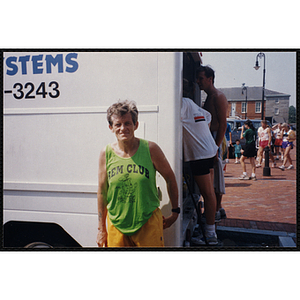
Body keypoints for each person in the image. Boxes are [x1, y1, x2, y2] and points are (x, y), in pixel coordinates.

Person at [96, 100, 179, 247]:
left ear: (136, 125)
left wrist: (175, 212)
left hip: (147, 223)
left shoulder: (151, 149)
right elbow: (102, 192)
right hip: (116, 224)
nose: (123, 128)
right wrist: (101, 229)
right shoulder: (106, 153)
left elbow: (170, 179)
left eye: (128, 123)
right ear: (111, 127)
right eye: (118, 124)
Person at [181, 96, 219, 245]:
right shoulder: (192, 104)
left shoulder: (183, 104)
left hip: (199, 155)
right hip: (210, 150)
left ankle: (210, 235)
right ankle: (210, 231)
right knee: (210, 193)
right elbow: (208, 116)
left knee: (208, 195)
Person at [196, 65, 228, 221]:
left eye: (201, 78)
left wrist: (216, 145)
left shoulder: (218, 96)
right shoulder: (210, 96)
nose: (198, 81)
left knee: (215, 176)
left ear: (210, 79)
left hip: (215, 139)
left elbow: (223, 124)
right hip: (210, 138)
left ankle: (215, 210)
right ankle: (217, 208)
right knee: (211, 176)